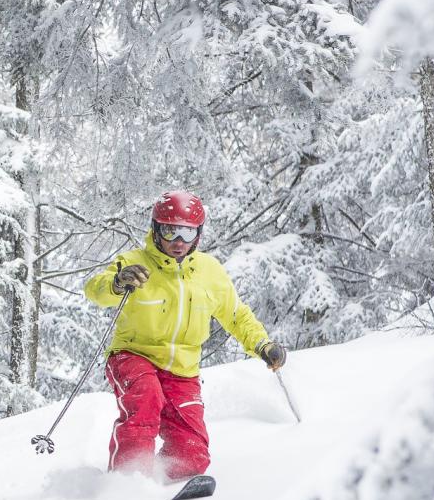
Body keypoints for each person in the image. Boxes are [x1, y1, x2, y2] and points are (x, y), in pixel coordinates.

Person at [83, 190, 286, 481]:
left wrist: (262, 344)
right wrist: (117, 282)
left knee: (192, 454)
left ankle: (162, 480)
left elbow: (236, 315)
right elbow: (95, 289)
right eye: (170, 231)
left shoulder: (208, 271)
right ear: (156, 229)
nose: (179, 241)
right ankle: (127, 480)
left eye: (187, 233)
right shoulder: (134, 262)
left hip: (182, 369)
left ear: (198, 235)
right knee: (145, 397)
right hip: (133, 355)